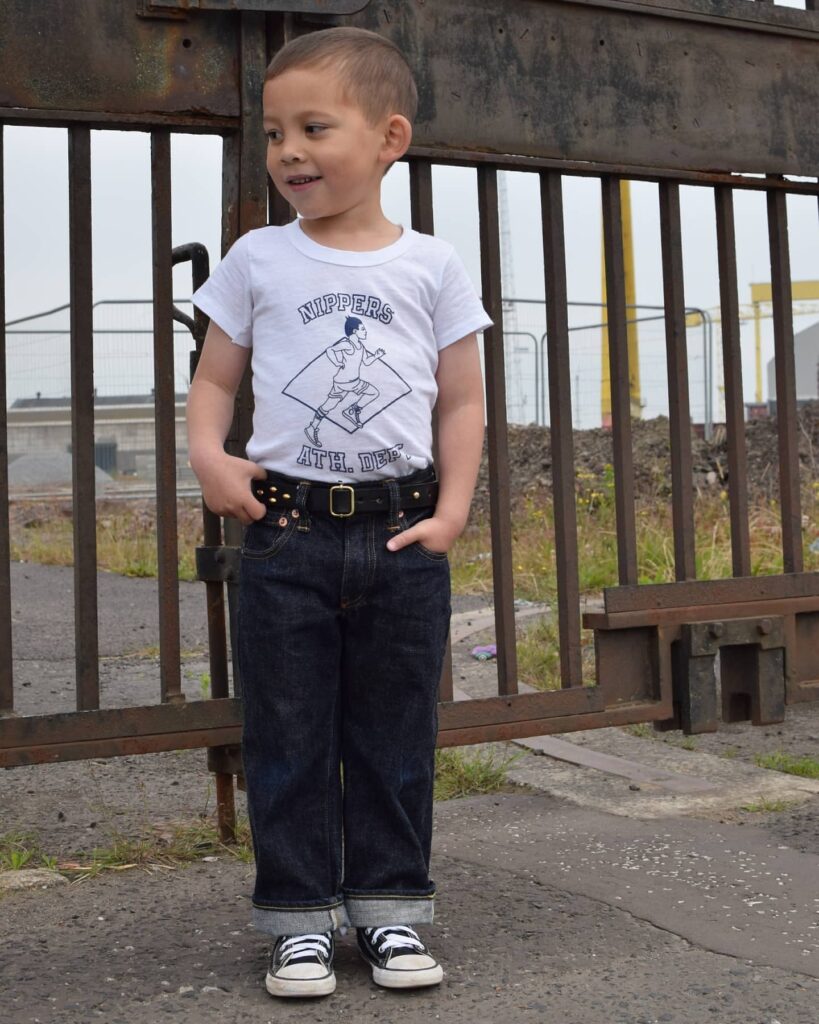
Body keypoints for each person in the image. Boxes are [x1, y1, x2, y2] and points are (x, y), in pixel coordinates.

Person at [186, 25, 491, 1000]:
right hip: (287, 533)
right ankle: (298, 922)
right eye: (275, 133)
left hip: (403, 536)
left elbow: (463, 400)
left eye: (315, 127)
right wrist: (208, 456)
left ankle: (392, 910)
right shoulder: (258, 261)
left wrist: (451, 512)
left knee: (395, 736)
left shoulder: (432, 267)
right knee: (288, 733)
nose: (289, 152)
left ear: (390, 136)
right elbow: (214, 379)